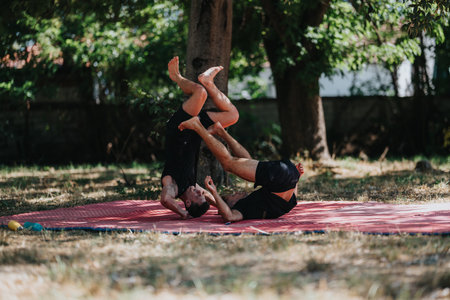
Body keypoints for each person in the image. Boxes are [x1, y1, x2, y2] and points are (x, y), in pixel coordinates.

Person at [178, 118, 304, 222]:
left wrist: (296, 175)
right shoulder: (243, 208)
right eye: (232, 196)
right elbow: (228, 216)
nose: (236, 193)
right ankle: (198, 126)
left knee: (245, 162)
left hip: (287, 173)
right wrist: (215, 193)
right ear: (232, 205)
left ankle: (220, 131)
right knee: (228, 164)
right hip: (282, 175)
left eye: (232, 194)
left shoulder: (274, 207)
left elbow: (292, 195)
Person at [160, 56, 239, 219]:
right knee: (233, 115)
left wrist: (182, 213)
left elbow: (165, 200)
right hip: (195, 127)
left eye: (198, 195)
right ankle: (208, 81)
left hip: (179, 129)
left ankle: (177, 78)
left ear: (188, 203)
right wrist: (223, 207)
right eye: (201, 193)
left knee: (200, 92)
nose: (199, 191)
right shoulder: (192, 186)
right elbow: (209, 199)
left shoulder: (173, 186)